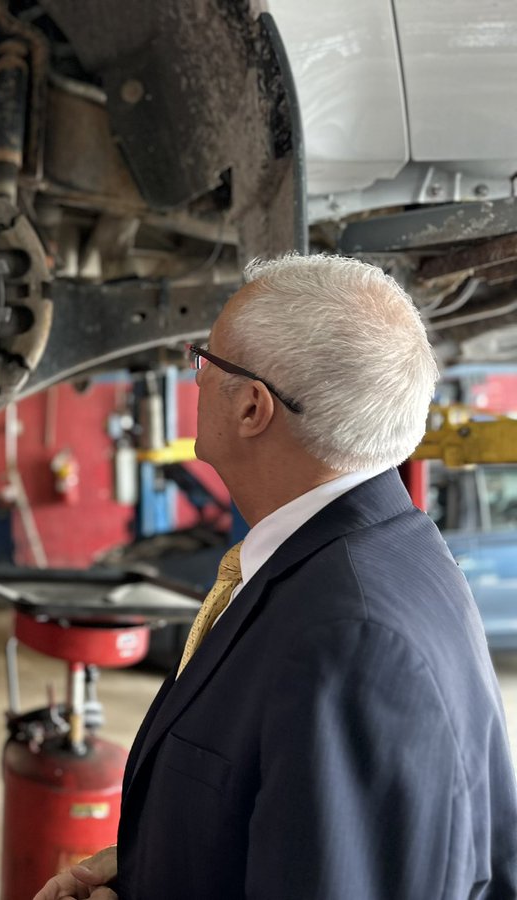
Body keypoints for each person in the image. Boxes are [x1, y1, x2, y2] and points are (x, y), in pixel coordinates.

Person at [35, 254, 517, 899]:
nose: (195, 376)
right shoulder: (375, 555)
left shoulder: (352, 639)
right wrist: (150, 865)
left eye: (206, 360)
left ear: (253, 408)